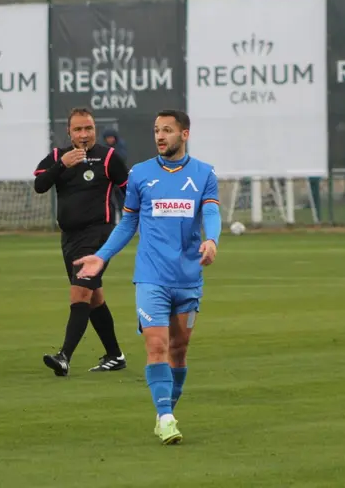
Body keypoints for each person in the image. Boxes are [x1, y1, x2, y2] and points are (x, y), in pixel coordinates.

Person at [74, 109, 221, 444]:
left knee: (179, 350)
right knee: (157, 346)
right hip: (151, 276)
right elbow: (128, 222)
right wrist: (101, 256)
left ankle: (163, 411)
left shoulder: (204, 173)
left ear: (184, 134)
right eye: (157, 130)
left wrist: (212, 239)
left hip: (188, 277)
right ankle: (167, 418)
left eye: (167, 130)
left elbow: (211, 211)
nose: (160, 136)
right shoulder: (140, 174)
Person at [34, 107, 128, 375]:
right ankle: (115, 355)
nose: (84, 134)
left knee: (80, 292)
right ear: (69, 132)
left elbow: (129, 192)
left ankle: (64, 357)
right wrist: (62, 164)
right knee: (93, 297)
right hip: (70, 238)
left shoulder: (108, 157)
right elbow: (40, 186)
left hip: (99, 235)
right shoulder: (57, 157)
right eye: (78, 129)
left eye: (88, 128)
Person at [103, 129, 128, 224]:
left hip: (119, 178)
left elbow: (122, 159)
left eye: (111, 137)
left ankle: (123, 221)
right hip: (107, 179)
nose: (110, 140)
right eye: (108, 138)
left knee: (121, 201)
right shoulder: (103, 148)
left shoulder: (120, 147)